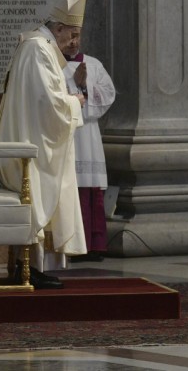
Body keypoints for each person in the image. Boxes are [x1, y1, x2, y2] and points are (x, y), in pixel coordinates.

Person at [0, 0, 88, 289]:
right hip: (29, 149)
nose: (74, 43)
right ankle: (27, 268)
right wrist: (75, 103)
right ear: (59, 28)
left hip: (31, 141)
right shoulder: (38, 49)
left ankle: (33, 267)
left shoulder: (39, 46)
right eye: (72, 35)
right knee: (38, 189)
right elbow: (49, 103)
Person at [61, 35, 116, 262]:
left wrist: (84, 84)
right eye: (69, 37)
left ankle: (95, 244)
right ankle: (73, 245)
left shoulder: (93, 64)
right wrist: (73, 83)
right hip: (67, 134)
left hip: (89, 135)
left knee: (91, 188)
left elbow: (108, 94)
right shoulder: (52, 64)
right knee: (71, 187)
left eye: (77, 37)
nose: (73, 42)